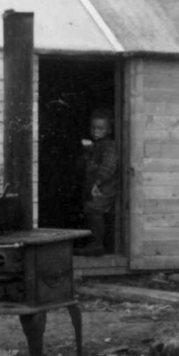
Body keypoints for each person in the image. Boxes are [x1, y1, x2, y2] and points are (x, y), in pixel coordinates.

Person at [77, 109, 118, 256]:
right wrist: (87, 152)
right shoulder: (95, 146)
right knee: (91, 210)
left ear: (109, 130)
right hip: (95, 186)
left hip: (104, 187)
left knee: (95, 211)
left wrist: (98, 181)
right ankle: (96, 243)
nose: (96, 131)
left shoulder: (108, 145)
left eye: (100, 128)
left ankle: (97, 244)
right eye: (93, 128)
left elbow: (109, 165)